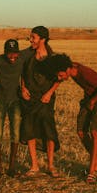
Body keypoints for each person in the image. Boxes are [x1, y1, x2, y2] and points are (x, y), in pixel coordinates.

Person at [43, 53, 97, 184]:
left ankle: (91, 173)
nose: (59, 77)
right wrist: (49, 93)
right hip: (89, 99)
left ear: (67, 69)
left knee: (94, 132)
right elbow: (58, 80)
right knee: (80, 131)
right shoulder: (71, 69)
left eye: (61, 75)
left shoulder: (84, 73)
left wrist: (93, 101)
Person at [20, 26, 61, 178]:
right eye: (30, 37)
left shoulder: (52, 57)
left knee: (48, 130)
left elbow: (60, 78)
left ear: (42, 39)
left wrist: (49, 93)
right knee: (29, 128)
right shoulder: (27, 56)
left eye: (33, 37)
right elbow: (22, 74)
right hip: (30, 98)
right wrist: (23, 88)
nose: (30, 40)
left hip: (46, 98)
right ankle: (34, 165)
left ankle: (50, 165)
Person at [0, 39, 33, 177]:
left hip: (15, 101)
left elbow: (35, 47)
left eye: (15, 54)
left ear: (18, 52)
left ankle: (12, 167)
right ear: (4, 52)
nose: (13, 57)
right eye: (9, 54)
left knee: (16, 133)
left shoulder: (21, 57)